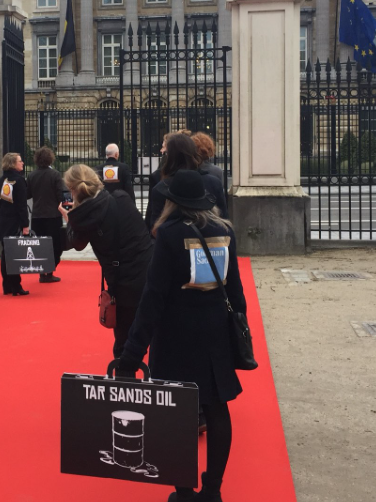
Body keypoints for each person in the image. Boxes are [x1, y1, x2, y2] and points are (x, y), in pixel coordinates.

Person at [118, 169, 247, 502]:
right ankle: (214, 492)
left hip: (176, 334)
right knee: (218, 409)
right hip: (216, 331)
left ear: (172, 201)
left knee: (178, 416)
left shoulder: (170, 235)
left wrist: (131, 353)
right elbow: (235, 290)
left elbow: (153, 298)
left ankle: (185, 497)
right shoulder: (224, 231)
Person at [60, 165, 153, 358]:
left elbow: (74, 244)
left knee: (123, 341)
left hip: (120, 282)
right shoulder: (121, 198)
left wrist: (70, 218)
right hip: (150, 272)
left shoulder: (82, 218)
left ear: (72, 190)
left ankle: (124, 379)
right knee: (155, 335)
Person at [145, 133, 228, 232]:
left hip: (172, 240)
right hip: (210, 239)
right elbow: (223, 219)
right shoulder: (213, 182)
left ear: (170, 155)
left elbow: (154, 224)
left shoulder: (160, 186)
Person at [27, 146, 65, 283]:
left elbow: (28, 194)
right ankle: (50, 271)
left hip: (37, 215)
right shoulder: (55, 175)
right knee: (55, 245)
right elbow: (61, 194)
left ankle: (42, 272)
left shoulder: (31, 175)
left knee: (40, 245)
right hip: (53, 215)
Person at [0, 152, 31, 296]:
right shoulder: (19, 181)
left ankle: (7, 284)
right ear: (13, 163)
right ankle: (16, 285)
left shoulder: (1, 180)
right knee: (16, 254)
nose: (22, 163)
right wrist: (25, 225)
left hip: (4, 221)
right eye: (20, 161)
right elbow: (22, 205)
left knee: (5, 254)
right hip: (15, 222)